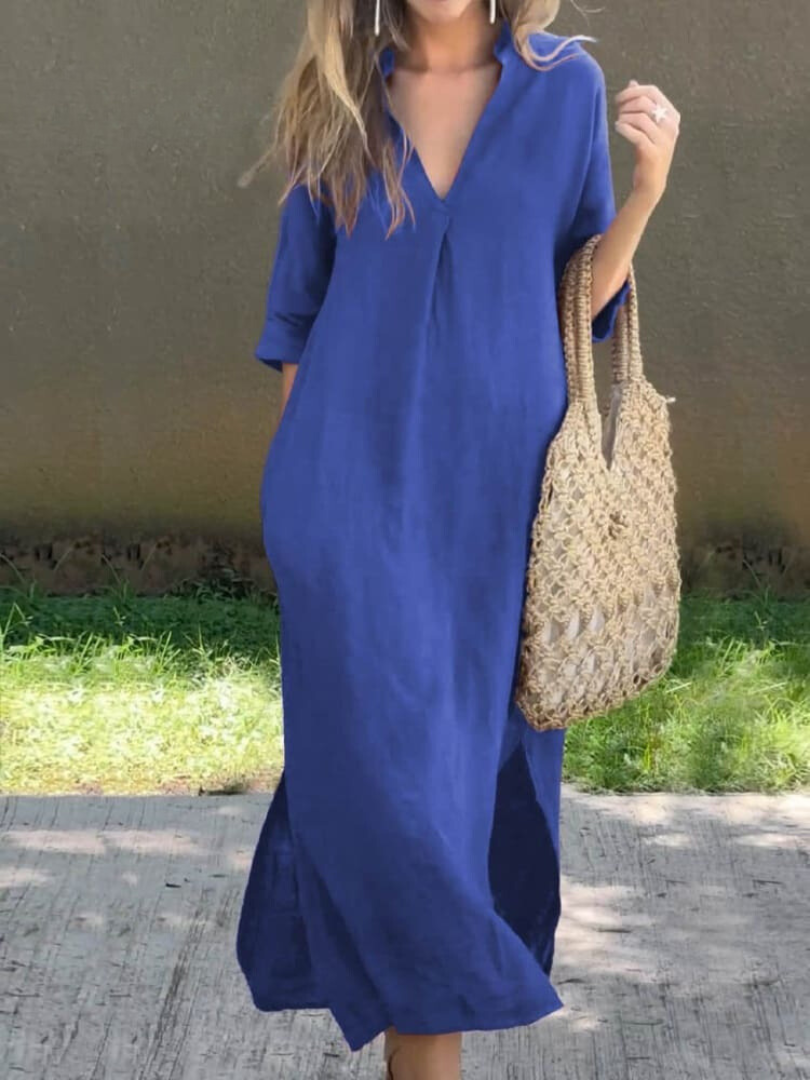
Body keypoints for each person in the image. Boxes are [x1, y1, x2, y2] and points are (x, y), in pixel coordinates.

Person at [235, 1, 680, 1077]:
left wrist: (646, 192)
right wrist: (298, 516)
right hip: (349, 509)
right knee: (391, 806)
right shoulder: (339, 100)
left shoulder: (565, 89)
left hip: (499, 516)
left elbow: (578, 297)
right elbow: (298, 320)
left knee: (454, 806)